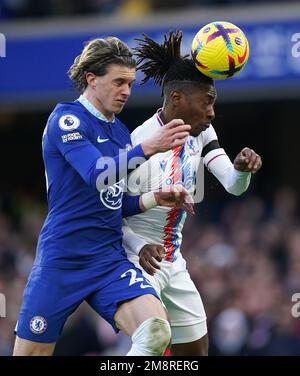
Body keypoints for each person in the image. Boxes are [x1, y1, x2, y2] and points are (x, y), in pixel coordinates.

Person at [13, 37, 193, 356]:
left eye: (131, 84)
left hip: (107, 260)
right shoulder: (66, 120)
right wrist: (149, 146)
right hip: (62, 260)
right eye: (119, 82)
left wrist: (154, 198)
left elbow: (111, 201)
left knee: (155, 332)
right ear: (91, 79)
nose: (126, 91)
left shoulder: (121, 133)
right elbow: (98, 174)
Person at [122, 31, 262, 356]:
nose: (212, 112)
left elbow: (232, 184)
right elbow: (105, 212)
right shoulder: (138, 145)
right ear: (177, 99)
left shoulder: (201, 131)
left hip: (173, 260)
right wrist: (139, 246)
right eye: (207, 101)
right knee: (152, 341)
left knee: (197, 351)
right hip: (136, 260)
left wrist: (241, 169)